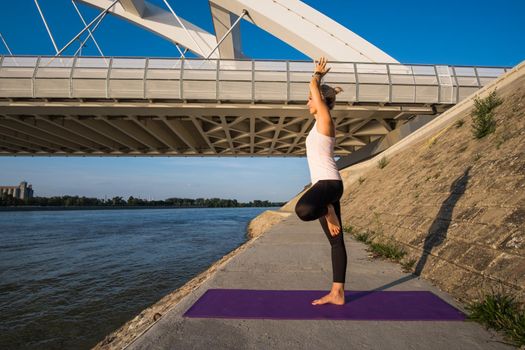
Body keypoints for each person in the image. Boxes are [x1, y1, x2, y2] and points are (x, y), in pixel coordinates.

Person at [294, 57, 346, 306]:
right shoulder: (318, 124)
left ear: (319, 102)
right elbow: (317, 94)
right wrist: (328, 89)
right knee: (336, 241)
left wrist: (317, 75)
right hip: (325, 186)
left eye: (310, 98)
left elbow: (315, 88)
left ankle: (326, 208)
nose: (307, 102)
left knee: (303, 210)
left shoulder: (325, 119)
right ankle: (337, 293)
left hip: (328, 184)